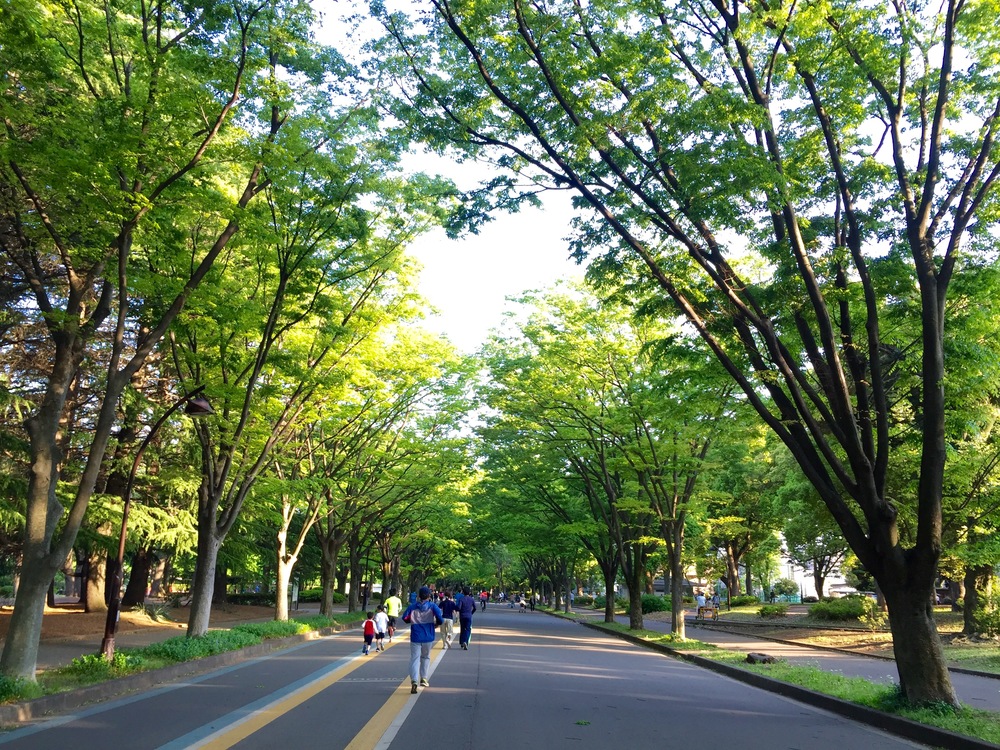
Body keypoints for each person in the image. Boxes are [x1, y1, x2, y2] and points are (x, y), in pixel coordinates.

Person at [402, 586, 443, 693]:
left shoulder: (412, 606)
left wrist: (411, 621)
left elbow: (405, 618)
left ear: (419, 596)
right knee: (425, 657)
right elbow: (440, 619)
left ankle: (414, 680)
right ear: (429, 595)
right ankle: (424, 678)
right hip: (428, 636)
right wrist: (436, 624)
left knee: (414, 658)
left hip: (415, 635)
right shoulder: (432, 606)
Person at [458, 585, 476, 649]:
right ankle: (466, 641)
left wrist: (459, 611)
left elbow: (459, 607)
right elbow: (475, 608)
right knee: (468, 629)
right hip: (469, 616)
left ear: (463, 592)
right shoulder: (471, 599)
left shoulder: (461, 599)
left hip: (462, 616)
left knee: (462, 629)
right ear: (469, 592)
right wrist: (471, 613)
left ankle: (462, 642)